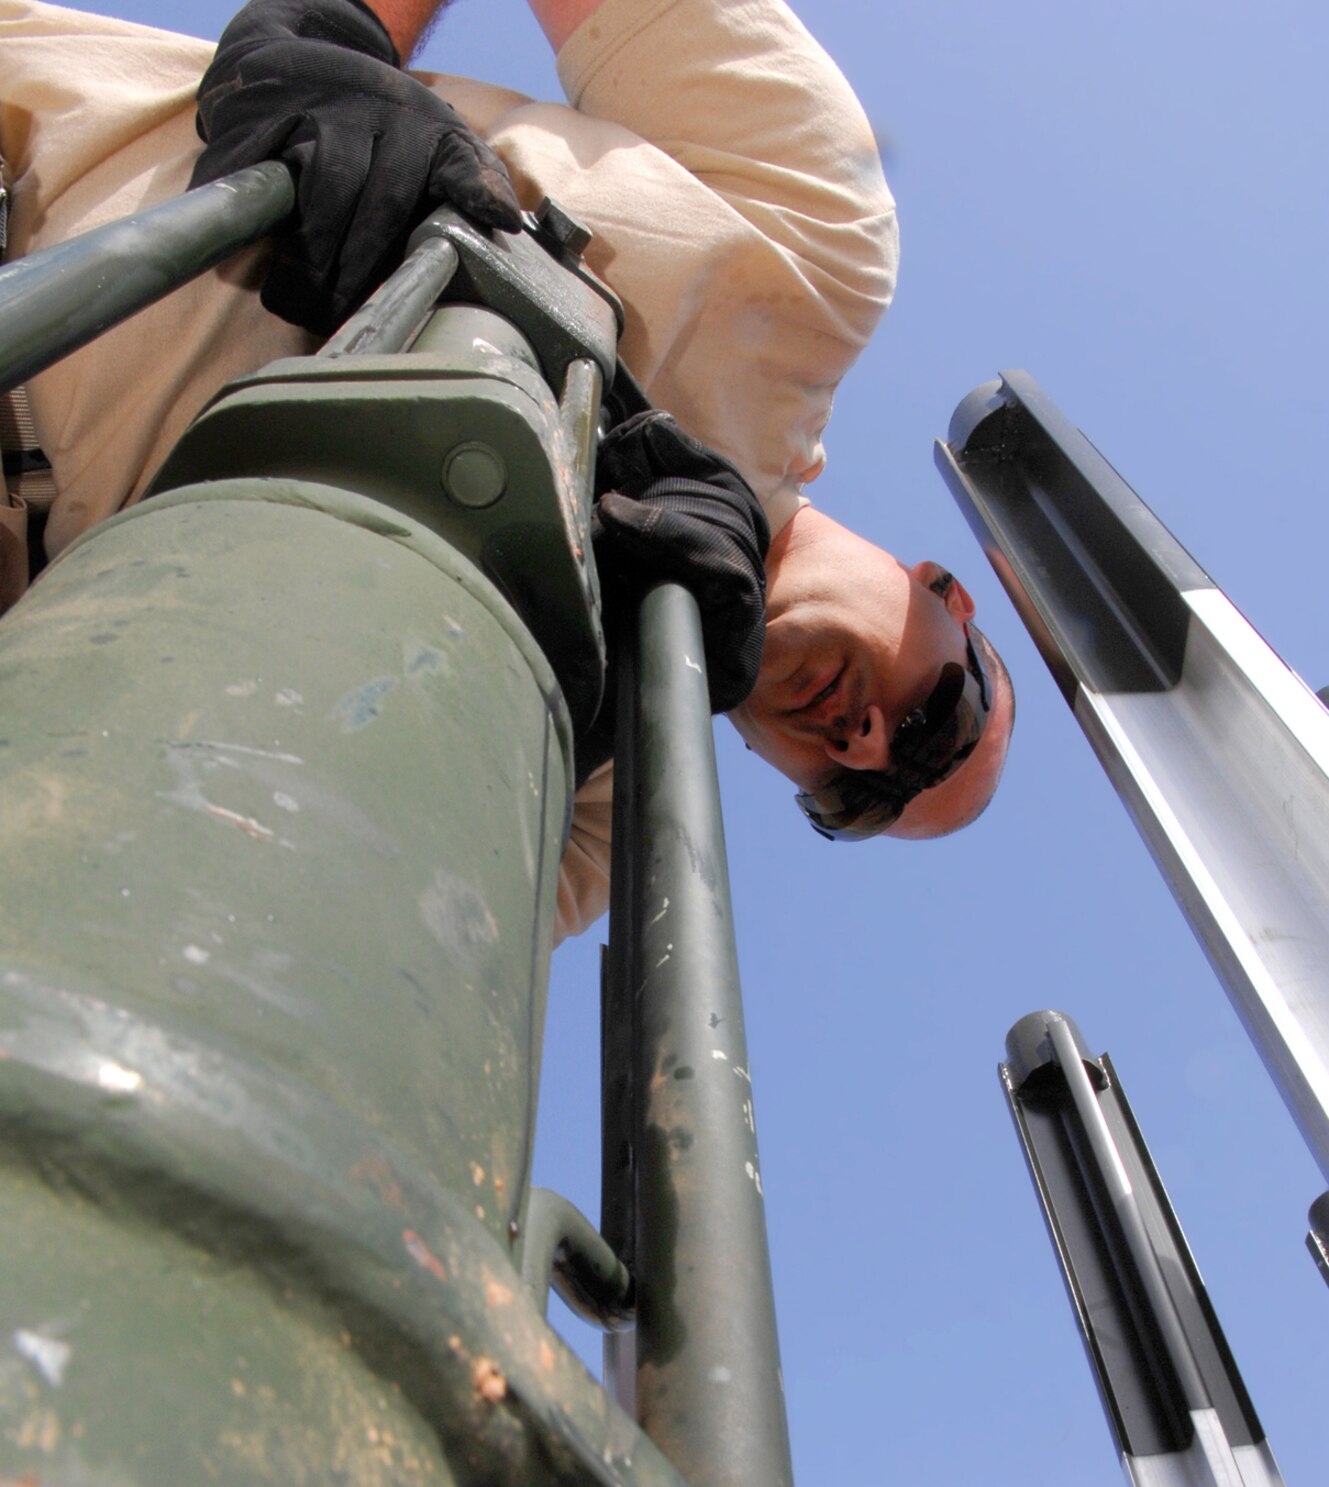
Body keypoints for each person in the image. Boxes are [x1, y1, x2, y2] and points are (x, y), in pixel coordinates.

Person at [0, 0, 1014, 939]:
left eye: (853, 804)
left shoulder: (595, 813)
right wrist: (331, 35)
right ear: (949, 594)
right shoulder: (816, 260)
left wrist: (568, 715)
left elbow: (323, 929)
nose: (867, 745)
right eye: (937, 724)